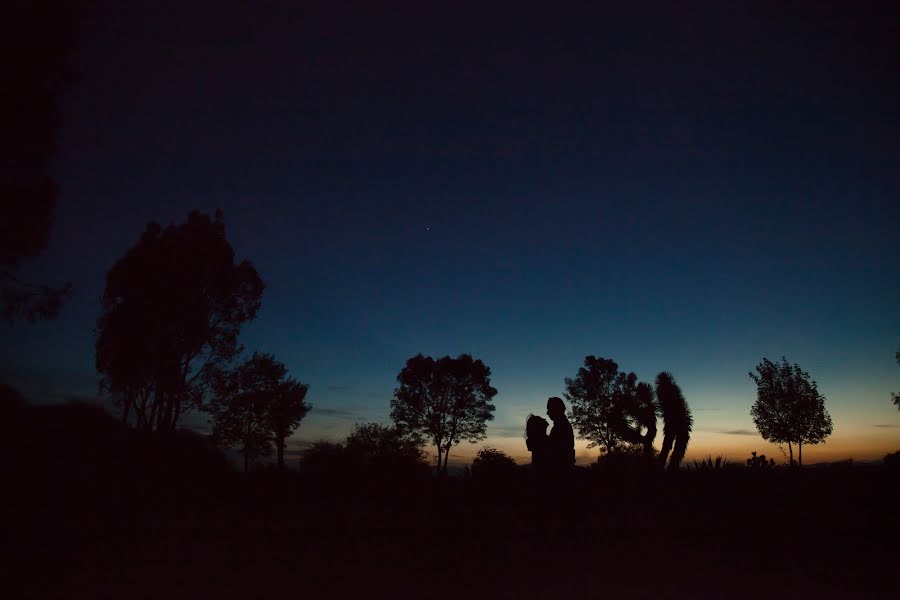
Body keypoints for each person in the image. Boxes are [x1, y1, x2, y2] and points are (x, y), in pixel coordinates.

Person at [546, 396, 575, 470]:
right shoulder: (561, 424)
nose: (547, 413)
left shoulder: (561, 426)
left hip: (561, 470)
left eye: (549, 409)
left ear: (556, 410)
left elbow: (554, 450)